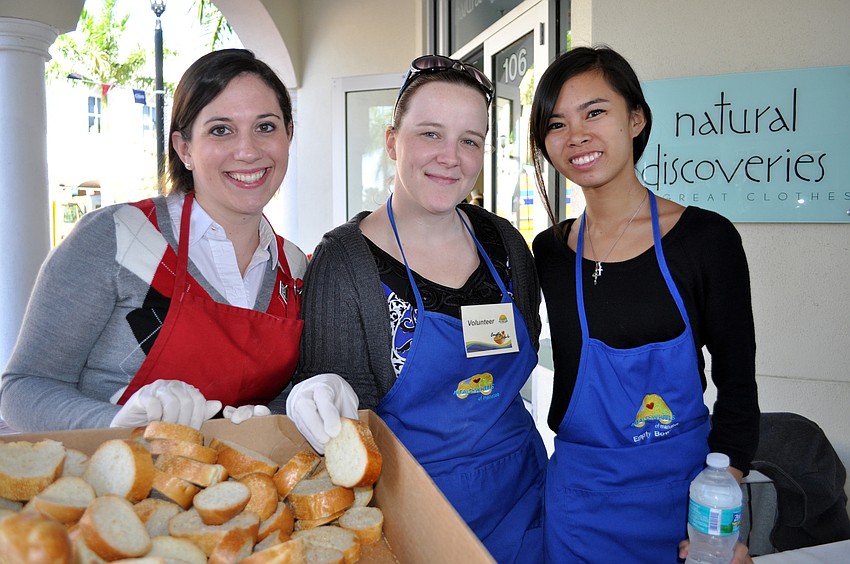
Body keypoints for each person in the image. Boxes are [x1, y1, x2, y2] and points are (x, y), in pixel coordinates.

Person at [286, 55, 547, 563]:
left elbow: (527, 343)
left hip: (524, 502)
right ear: (391, 142)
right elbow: (338, 426)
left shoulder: (506, 244)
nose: (451, 157)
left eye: (469, 140)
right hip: (408, 514)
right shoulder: (346, 262)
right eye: (430, 134)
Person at [528, 45, 759, 563]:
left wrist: (721, 517)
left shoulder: (706, 239)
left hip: (683, 502)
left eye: (595, 112)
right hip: (578, 504)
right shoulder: (548, 251)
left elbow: (738, 386)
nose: (577, 136)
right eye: (556, 123)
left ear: (635, 119)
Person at [0, 49, 305, 432]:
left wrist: (299, 401)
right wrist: (120, 425)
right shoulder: (117, 237)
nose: (247, 151)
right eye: (220, 130)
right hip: (112, 485)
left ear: (288, 135)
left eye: (265, 127)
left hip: (236, 488)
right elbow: (23, 388)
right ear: (184, 149)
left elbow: (272, 395)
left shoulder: (293, 267)